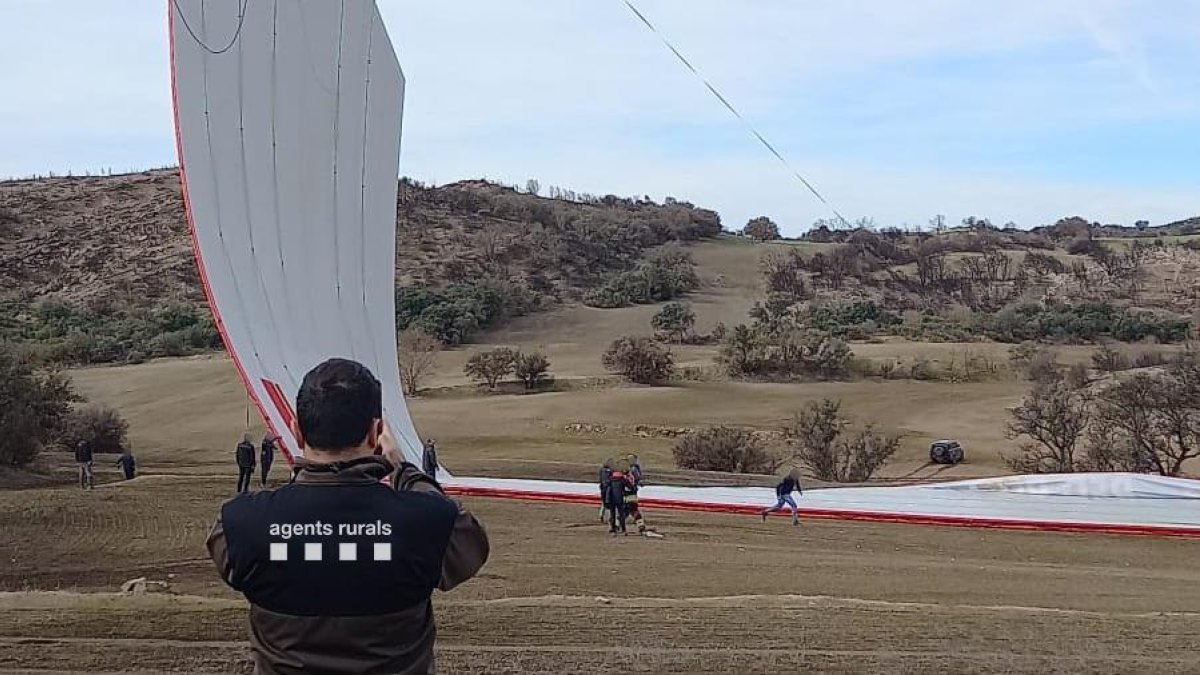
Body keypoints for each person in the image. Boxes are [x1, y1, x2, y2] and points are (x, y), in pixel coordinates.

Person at [206, 358, 489, 674]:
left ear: (297, 432)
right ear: (376, 432)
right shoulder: (428, 522)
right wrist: (404, 470)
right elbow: (468, 546)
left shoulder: (240, 524)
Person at [622, 453, 647, 534]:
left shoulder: (630, 470)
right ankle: (640, 524)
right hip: (632, 493)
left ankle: (617, 525)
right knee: (633, 510)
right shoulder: (636, 470)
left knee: (627, 510)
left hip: (627, 494)